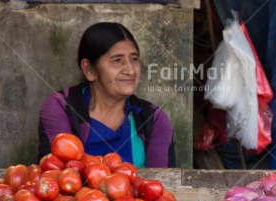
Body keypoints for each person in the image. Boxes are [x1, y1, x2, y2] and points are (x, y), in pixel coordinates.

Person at [38, 22, 176, 168]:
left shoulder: (153, 119)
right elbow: (60, 178)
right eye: (117, 60)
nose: (130, 70)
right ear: (89, 69)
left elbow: (161, 184)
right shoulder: (61, 107)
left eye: (134, 59)